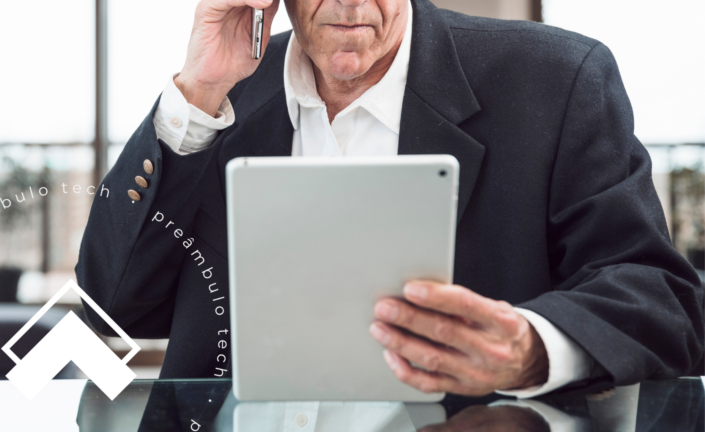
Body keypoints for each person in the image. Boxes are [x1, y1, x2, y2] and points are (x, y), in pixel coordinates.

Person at [76, 0, 703, 397]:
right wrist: (198, 92)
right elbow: (115, 307)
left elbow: (660, 298)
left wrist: (531, 349)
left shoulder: (556, 78)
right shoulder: (220, 95)